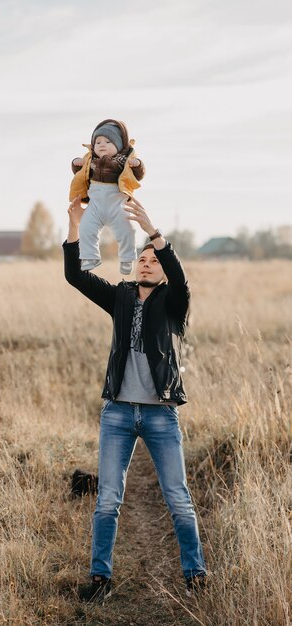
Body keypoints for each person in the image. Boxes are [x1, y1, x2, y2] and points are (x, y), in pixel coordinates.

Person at [63, 195, 208, 604]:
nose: (147, 262)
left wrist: (153, 231)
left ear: (163, 273)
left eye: (154, 261)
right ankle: (100, 580)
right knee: (107, 499)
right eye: (143, 258)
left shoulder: (173, 303)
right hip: (118, 414)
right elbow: (76, 277)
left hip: (161, 416)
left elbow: (181, 280)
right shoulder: (121, 297)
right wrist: (75, 225)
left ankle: (195, 577)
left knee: (178, 499)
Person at [69, 119, 145, 275]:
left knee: (127, 231)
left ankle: (127, 258)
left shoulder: (123, 160)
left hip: (116, 205)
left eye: (108, 141)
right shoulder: (90, 161)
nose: (102, 144)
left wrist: (137, 164)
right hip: (95, 205)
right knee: (85, 228)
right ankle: (90, 257)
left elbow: (138, 175)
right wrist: (76, 164)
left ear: (119, 145)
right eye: (98, 142)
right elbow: (80, 174)